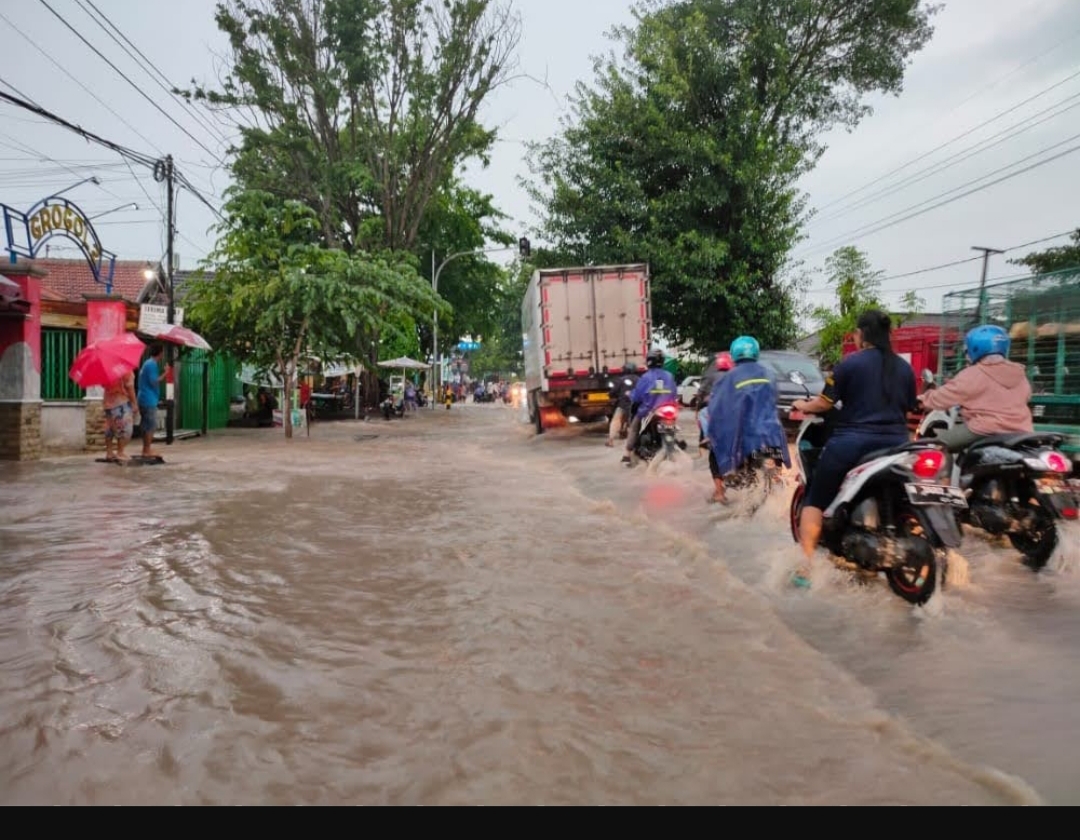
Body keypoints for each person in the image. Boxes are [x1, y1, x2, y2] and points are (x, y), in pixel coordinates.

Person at [790, 310, 917, 584]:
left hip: (853, 442)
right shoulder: (904, 368)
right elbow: (909, 406)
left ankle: (806, 567)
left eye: (856, 334)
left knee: (815, 496)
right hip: (898, 444)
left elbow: (824, 403)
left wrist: (801, 405)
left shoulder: (850, 364)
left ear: (862, 335)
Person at [918, 324, 1033, 451]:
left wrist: (923, 399)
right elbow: (1026, 396)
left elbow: (942, 397)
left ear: (975, 348)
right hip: (1022, 430)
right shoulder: (1019, 373)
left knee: (935, 446)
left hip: (984, 430)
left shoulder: (973, 373)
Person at [704, 336, 790, 504]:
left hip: (747, 437)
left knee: (713, 451)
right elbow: (775, 399)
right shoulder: (770, 374)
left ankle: (720, 493)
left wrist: (713, 430)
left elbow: (717, 407)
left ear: (735, 353)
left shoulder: (729, 377)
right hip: (773, 436)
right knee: (776, 474)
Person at [622, 348, 677, 466]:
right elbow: (674, 394)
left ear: (649, 361)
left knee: (634, 427)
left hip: (649, 410)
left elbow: (637, 396)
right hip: (669, 410)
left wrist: (629, 394)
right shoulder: (669, 376)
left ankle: (627, 454)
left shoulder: (646, 377)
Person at [696, 351, 733, 453]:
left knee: (702, 413)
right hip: (732, 407)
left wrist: (700, 395)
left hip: (716, 406)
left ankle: (708, 436)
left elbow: (703, 389)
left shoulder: (712, 375)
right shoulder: (734, 375)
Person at [137, 343, 170, 458]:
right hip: (148, 399)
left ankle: (145, 449)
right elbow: (154, 381)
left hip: (145, 398)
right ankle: (147, 450)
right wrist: (166, 373)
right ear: (160, 353)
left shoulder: (147, 363)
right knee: (151, 425)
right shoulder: (151, 365)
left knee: (146, 425)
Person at [102, 368, 138, 461]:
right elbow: (130, 388)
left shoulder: (107, 370)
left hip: (108, 401)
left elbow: (103, 385)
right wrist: (134, 403)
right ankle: (120, 452)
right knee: (123, 427)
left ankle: (109, 452)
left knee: (109, 426)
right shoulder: (125, 370)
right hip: (120, 402)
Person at [606, 363, 640, 447]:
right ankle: (633, 442)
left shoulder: (621, 380)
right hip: (635, 406)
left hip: (622, 405)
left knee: (616, 420)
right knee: (634, 423)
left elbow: (613, 392)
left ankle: (610, 440)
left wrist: (610, 394)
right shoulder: (639, 380)